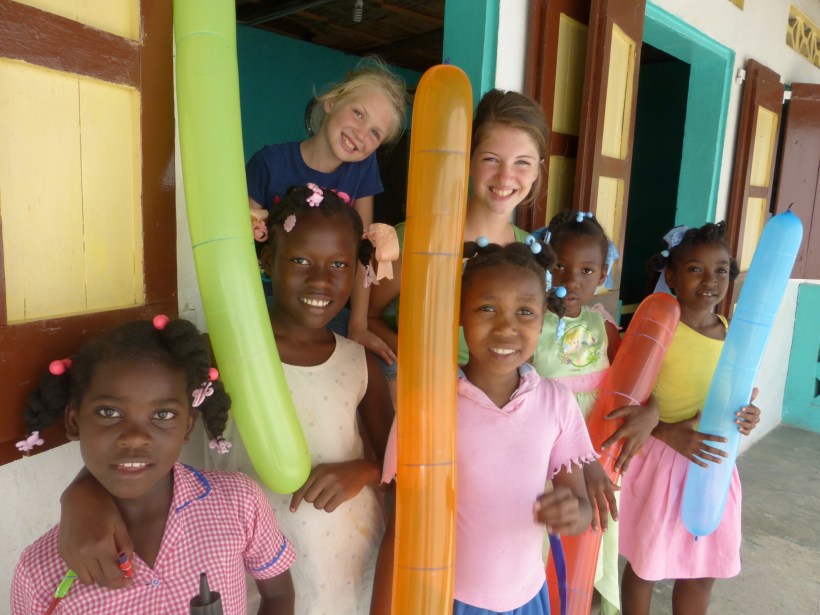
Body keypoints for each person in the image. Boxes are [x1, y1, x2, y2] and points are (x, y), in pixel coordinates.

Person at [57, 187, 396, 615]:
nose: (320, 279)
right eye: (299, 260)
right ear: (266, 259)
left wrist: (361, 470)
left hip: (349, 557)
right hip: (252, 566)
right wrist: (80, 495)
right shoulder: (220, 353)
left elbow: (393, 466)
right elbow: (141, 424)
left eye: (340, 265)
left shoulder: (359, 361)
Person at [11, 317, 295, 615]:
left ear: (188, 426)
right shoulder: (39, 572)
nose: (135, 437)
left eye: (163, 415)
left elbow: (277, 594)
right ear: (74, 421)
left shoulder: (238, 503)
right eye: (110, 412)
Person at [371, 240, 596, 614]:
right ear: (460, 313)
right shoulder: (429, 406)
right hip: (446, 598)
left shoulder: (556, 403)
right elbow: (401, 524)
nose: (506, 327)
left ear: (543, 320)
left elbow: (582, 504)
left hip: (527, 597)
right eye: (487, 308)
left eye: (525, 311)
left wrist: (574, 514)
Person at [367, 88, 549, 402]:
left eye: (523, 162)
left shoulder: (530, 252)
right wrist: (433, 369)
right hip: (421, 407)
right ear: (468, 159)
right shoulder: (415, 239)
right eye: (491, 159)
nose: (506, 177)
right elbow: (367, 319)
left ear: (537, 169)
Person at [619, 222, 762, 615]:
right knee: (646, 564)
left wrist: (748, 415)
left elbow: (735, 394)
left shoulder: (731, 332)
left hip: (714, 463)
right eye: (695, 269)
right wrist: (665, 432)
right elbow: (628, 398)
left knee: (701, 570)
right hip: (663, 460)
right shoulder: (657, 329)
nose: (710, 280)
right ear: (671, 276)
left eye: (720, 270)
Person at [531, 210, 659, 615]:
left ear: (603, 273)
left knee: (592, 548)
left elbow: (637, 384)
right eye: (560, 266)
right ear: (543, 262)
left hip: (601, 453)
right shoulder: (529, 320)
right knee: (548, 550)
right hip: (549, 454)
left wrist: (651, 414)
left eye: (587, 270)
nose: (571, 279)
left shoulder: (603, 326)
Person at [247, 57, 407, 364]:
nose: (361, 134)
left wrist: (358, 325)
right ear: (331, 102)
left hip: (325, 302)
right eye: (358, 114)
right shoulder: (269, 163)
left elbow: (361, 253)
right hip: (266, 298)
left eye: (375, 133)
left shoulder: (361, 171)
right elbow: (238, 242)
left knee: (381, 369)